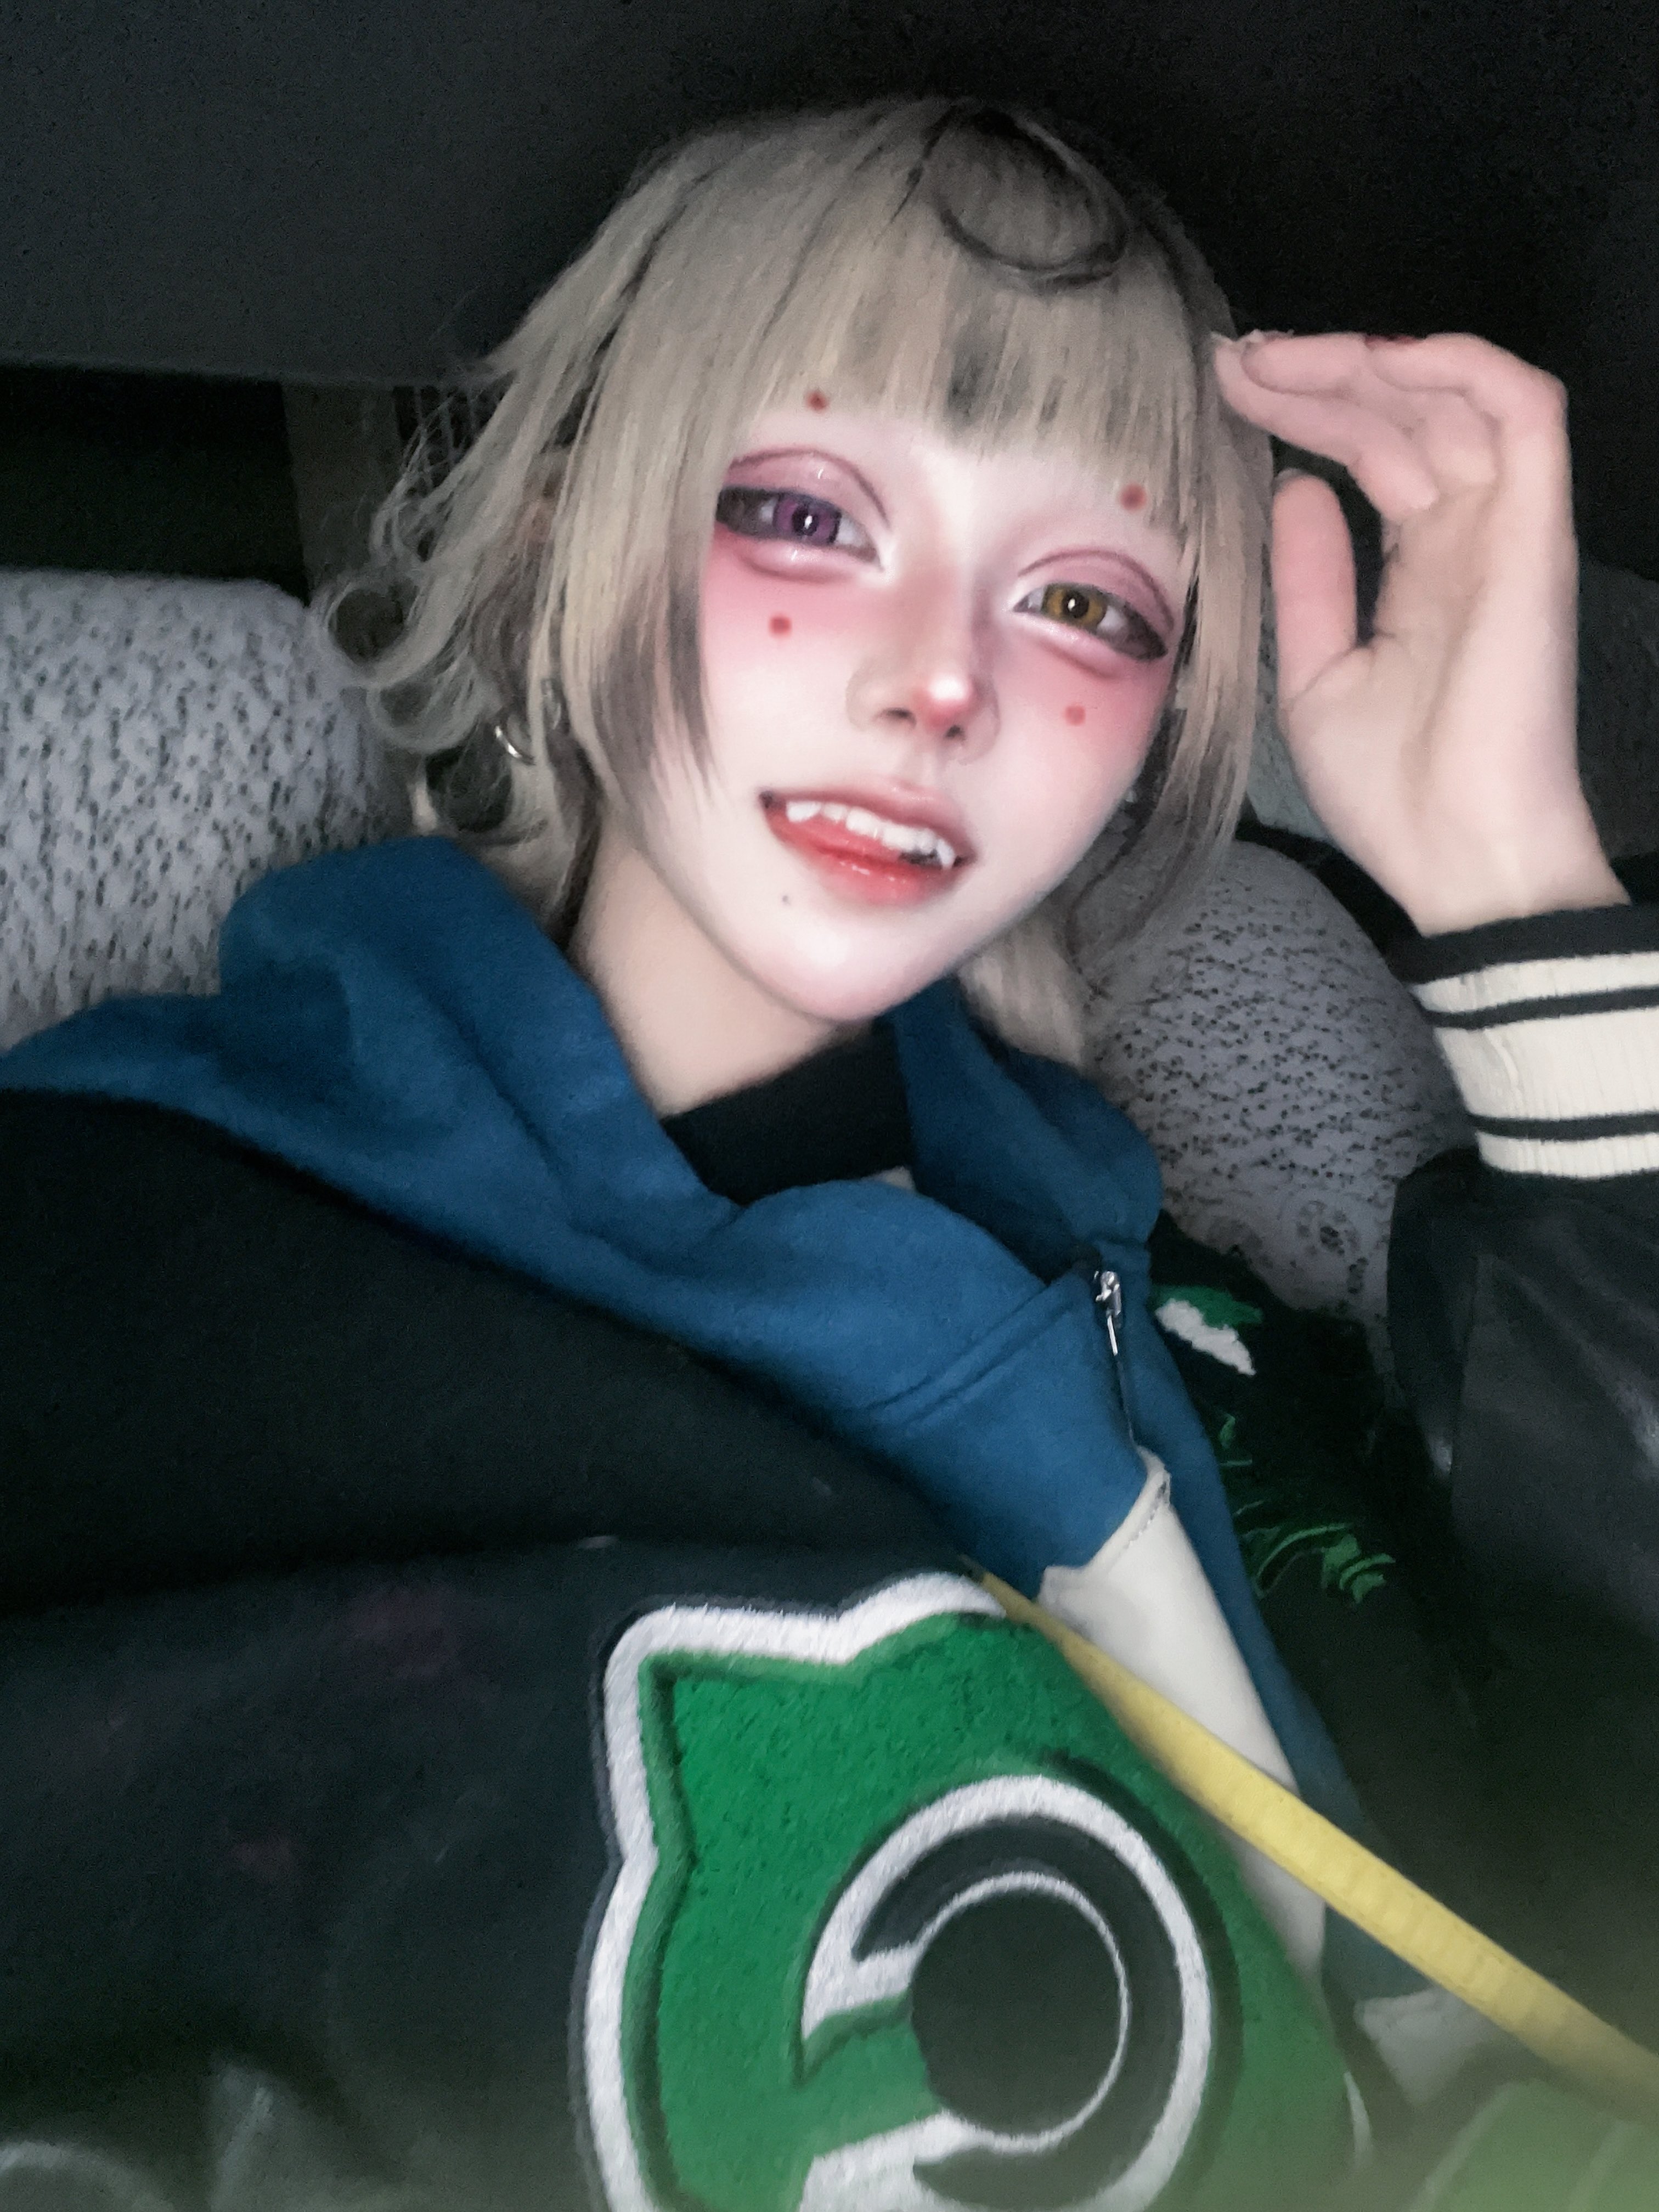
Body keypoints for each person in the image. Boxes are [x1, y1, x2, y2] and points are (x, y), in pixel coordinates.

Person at [0, 94, 1656, 2210]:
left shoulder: (1211, 1334)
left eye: (1088, 604)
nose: (941, 682)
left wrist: (1515, 891)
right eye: (806, 516)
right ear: (570, 537)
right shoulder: (119, 1255)